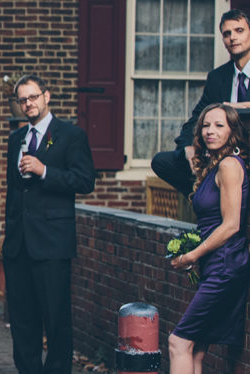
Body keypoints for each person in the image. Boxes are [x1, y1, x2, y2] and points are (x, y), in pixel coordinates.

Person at [5, 75, 95, 374]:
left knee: (55, 318)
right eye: (23, 100)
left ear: (46, 96)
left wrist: (45, 171)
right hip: (19, 245)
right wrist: (8, 237)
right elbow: (13, 193)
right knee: (22, 319)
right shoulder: (16, 139)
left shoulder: (71, 135)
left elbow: (84, 181)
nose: (28, 104)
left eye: (33, 97)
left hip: (52, 242)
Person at [168, 104, 250, 373]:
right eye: (205, 125)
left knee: (178, 342)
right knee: (196, 350)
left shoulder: (229, 165)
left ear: (233, 131)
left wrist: (192, 255)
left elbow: (231, 225)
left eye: (219, 125)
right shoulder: (213, 166)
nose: (210, 131)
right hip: (217, 263)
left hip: (225, 266)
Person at [152, 9, 250, 197]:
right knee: (162, 161)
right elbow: (197, 117)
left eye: (239, 31)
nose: (233, 38)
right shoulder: (218, 77)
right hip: (220, 155)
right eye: (227, 34)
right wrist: (189, 147)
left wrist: (244, 106)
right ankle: (206, 201)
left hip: (246, 155)